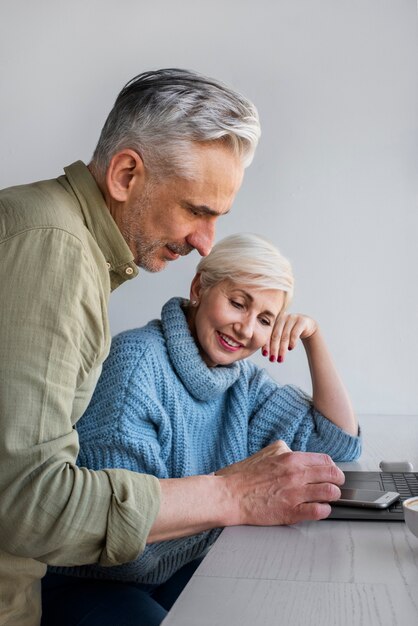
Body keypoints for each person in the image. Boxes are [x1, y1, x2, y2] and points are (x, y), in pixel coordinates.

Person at [0, 69, 346, 626]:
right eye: (196, 210)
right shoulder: (55, 251)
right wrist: (231, 495)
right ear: (126, 173)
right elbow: (31, 509)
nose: (205, 241)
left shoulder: (56, 236)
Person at [42, 233, 360, 626]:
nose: (245, 329)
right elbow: (124, 544)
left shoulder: (239, 380)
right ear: (199, 288)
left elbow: (338, 443)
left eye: (265, 319)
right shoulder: (137, 365)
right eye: (238, 303)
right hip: (93, 582)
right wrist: (239, 496)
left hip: (172, 570)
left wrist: (314, 339)